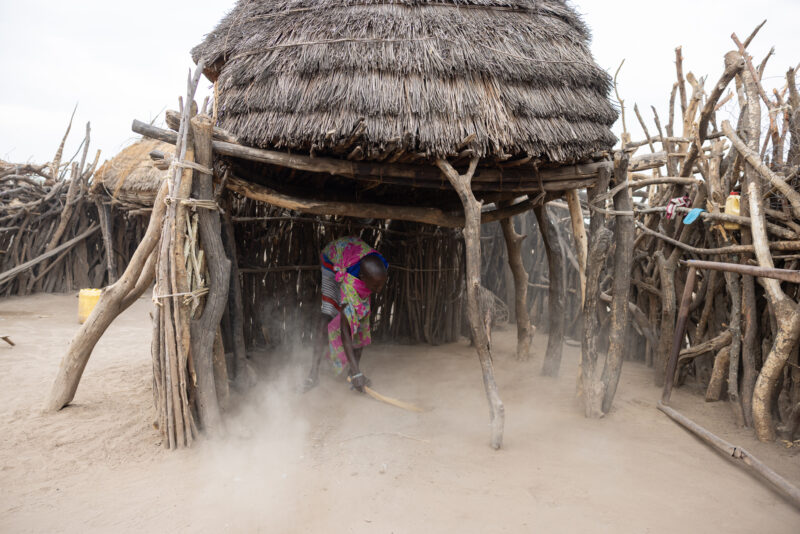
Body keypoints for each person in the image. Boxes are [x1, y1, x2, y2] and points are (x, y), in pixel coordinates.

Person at [303, 236, 388, 393]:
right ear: (362, 279)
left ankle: (352, 372)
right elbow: (344, 331)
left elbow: (361, 321)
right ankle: (313, 374)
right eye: (376, 285)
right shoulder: (351, 282)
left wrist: (356, 371)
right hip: (331, 262)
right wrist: (358, 373)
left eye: (382, 283)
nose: (380, 289)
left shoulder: (377, 268)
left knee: (362, 318)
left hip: (351, 259)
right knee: (328, 313)